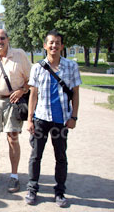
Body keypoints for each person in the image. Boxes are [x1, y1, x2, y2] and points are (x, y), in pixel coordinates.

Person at [25, 30, 81, 207]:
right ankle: (32, 189)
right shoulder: (37, 67)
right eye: (51, 42)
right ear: (45, 45)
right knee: (35, 156)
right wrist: (29, 119)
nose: (54, 46)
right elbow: (33, 94)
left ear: (62, 46)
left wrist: (74, 117)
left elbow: (76, 94)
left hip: (61, 119)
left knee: (61, 157)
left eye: (57, 43)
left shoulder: (71, 66)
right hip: (41, 117)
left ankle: (60, 192)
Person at [0, 29, 31, 192]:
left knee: (12, 139)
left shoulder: (19, 55)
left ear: (8, 39)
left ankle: (14, 176)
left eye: (2, 38)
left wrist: (22, 90)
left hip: (12, 101)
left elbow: (32, 80)